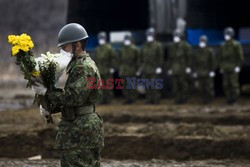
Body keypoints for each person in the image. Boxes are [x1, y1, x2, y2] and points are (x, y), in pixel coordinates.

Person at [32, 23, 104, 166]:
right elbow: (80, 99)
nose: (62, 51)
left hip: (79, 132)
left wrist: (48, 92)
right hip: (81, 129)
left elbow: (73, 98)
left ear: (77, 45)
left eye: (65, 47)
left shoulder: (83, 68)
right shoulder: (82, 65)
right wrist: (51, 108)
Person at [167, 29, 192, 104]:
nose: (175, 38)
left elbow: (189, 57)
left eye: (177, 36)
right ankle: (177, 99)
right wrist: (169, 68)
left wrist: (188, 66)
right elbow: (170, 58)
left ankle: (184, 98)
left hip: (182, 68)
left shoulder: (185, 46)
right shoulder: (171, 47)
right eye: (174, 36)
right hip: (174, 68)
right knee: (175, 85)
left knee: (183, 84)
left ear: (180, 37)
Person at [220, 27, 244, 104]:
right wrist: (221, 67)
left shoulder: (236, 45)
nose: (226, 36)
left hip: (233, 68)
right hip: (226, 68)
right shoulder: (223, 45)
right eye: (226, 34)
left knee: (234, 85)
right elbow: (221, 58)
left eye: (228, 34)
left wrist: (238, 66)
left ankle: (234, 99)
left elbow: (240, 57)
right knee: (226, 85)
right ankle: (228, 99)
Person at [141, 27, 164, 104]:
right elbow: (142, 57)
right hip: (146, 68)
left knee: (155, 85)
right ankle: (149, 99)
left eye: (150, 35)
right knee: (147, 85)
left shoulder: (158, 45)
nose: (149, 37)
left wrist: (159, 67)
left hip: (154, 68)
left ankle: (156, 99)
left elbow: (160, 57)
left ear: (153, 36)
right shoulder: (144, 45)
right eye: (148, 35)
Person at [193, 35, 216, 103]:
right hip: (200, 72)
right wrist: (195, 71)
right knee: (201, 87)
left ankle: (209, 98)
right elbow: (195, 62)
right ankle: (204, 98)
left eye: (203, 41)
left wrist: (212, 70)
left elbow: (213, 61)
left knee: (208, 87)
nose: (202, 43)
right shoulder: (198, 52)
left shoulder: (209, 51)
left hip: (207, 71)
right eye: (201, 41)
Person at [94, 31, 116, 104]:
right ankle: (102, 99)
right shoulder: (97, 49)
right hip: (100, 69)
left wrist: (112, 67)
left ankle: (109, 100)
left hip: (107, 69)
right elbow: (95, 59)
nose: (101, 40)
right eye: (100, 38)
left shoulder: (109, 48)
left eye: (102, 38)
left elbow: (113, 58)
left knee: (108, 85)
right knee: (100, 86)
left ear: (105, 39)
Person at [119, 33, 140, 104]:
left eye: (127, 40)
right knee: (124, 85)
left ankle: (133, 99)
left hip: (132, 69)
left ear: (130, 40)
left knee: (132, 85)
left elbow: (138, 59)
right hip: (124, 70)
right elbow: (120, 60)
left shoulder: (134, 49)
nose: (126, 41)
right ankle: (127, 98)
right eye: (125, 40)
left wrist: (138, 69)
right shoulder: (123, 49)